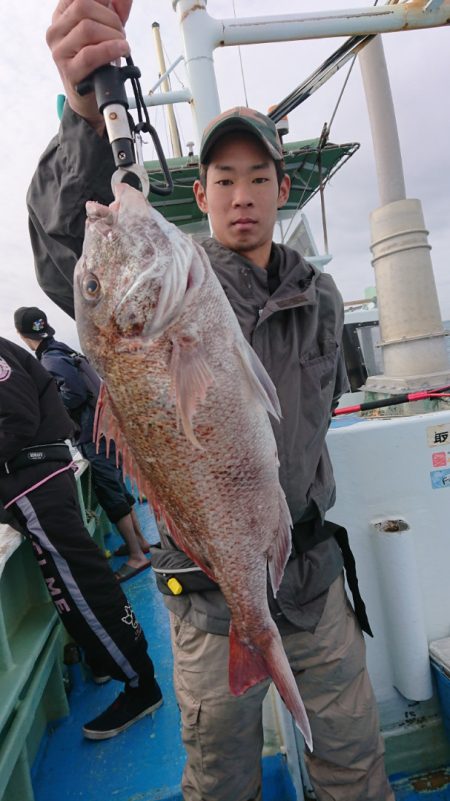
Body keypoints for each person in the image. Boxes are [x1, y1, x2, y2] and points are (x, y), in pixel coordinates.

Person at [26, 2, 395, 798]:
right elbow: (71, 262)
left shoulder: (323, 296)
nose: (241, 196)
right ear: (198, 191)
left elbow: (323, 405)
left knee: (355, 762)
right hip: (206, 596)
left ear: (280, 186)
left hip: (312, 573)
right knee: (219, 780)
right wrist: (88, 120)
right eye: (223, 179)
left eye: (258, 177)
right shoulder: (184, 288)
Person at [0, 335, 163, 739]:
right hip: (37, 483)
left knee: (81, 586)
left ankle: (141, 684)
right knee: (71, 586)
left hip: (32, 484)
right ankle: (106, 660)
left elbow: (16, 417)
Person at [13, 305, 151, 582]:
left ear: (21, 334)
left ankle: (137, 557)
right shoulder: (63, 350)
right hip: (105, 430)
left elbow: (73, 395)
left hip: (91, 435)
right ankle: (142, 543)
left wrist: (51, 413)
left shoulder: (50, 360)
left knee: (111, 493)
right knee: (119, 489)